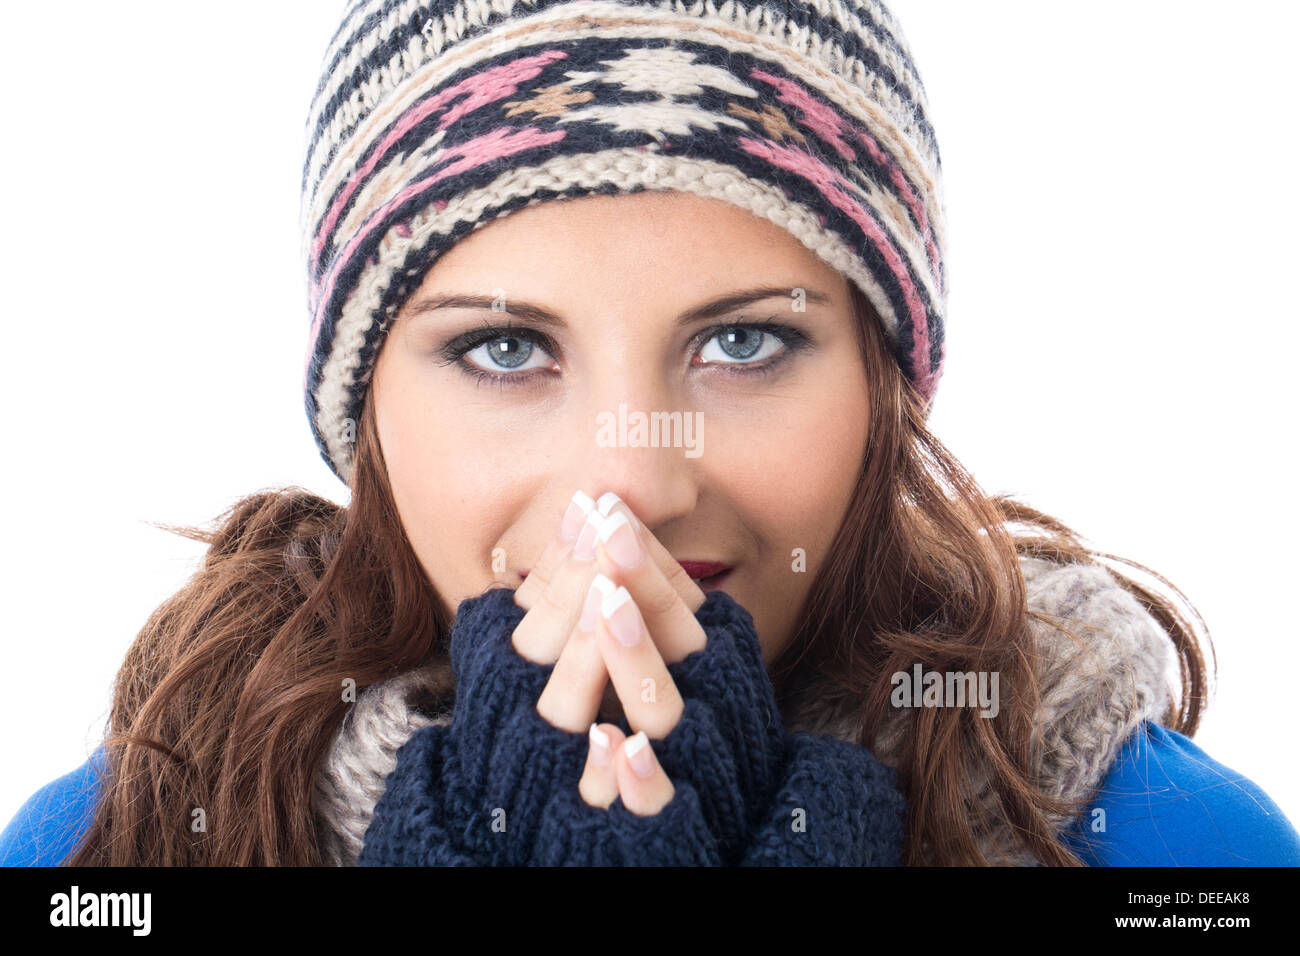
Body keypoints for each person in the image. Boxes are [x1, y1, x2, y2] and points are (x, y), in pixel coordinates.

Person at [4, 0, 1299, 866]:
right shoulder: (116, 841)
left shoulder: (1173, 845)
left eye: (744, 342)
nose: (627, 480)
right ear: (369, 411)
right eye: (503, 350)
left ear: (883, 382)